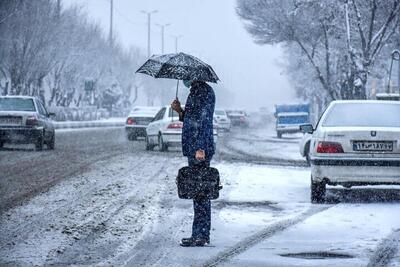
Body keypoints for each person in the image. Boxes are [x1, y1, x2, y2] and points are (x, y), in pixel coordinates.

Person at [171, 79, 216, 247]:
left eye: (187, 76)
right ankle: (198, 233)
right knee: (198, 192)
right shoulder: (196, 91)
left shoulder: (203, 92)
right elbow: (191, 119)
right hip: (194, 148)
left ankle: (201, 235)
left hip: (199, 150)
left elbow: (204, 121)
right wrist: (179, 111)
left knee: (201, 192)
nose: (184, 79)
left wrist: (200, 147)